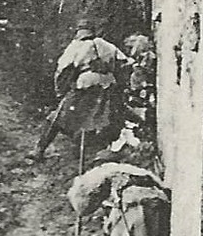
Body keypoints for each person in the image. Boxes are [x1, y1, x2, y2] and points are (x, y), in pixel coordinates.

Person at [33, 18, 133, 162]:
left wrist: (60, 91)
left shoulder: (76, 46)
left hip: (86, 84)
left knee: (57, 117)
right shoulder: (105, 44)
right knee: (98, 119)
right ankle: (96, 154)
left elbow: (62, 69)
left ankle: (39, 150)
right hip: (108, 85)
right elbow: (126, 62)